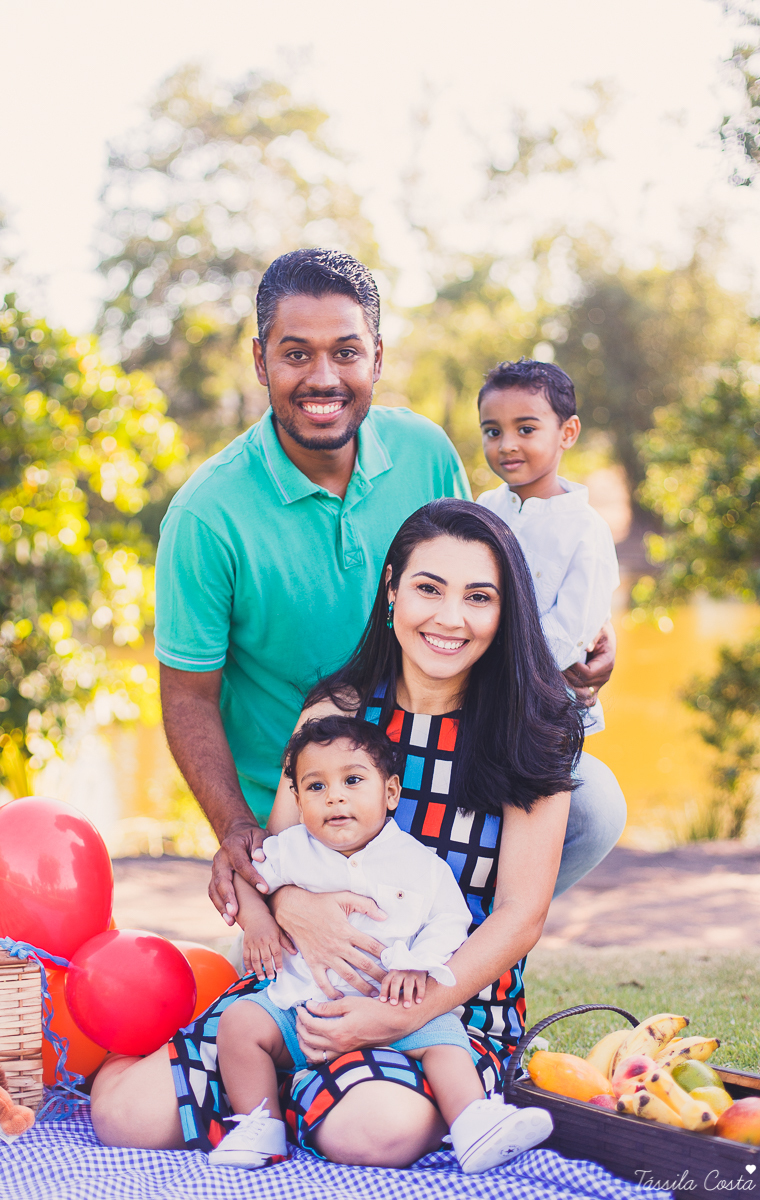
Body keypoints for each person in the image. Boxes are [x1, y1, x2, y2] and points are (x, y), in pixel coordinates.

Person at [90, 500, 615, 1168]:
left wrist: (404, 1013)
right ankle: (267, 1085)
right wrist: (292, 906)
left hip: (445, 998)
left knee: (381, 1132)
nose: (450, 618)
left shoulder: (533, 732)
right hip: (302, 983)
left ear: (504, 611)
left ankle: (316, 1097)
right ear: (392, 589)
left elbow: (520, 914)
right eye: (429, 588)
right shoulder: (336, 710)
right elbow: (275, 855)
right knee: (124, 1119)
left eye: (478, 597)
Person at [153, 248, 472, 924]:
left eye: (346, 353)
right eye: (297, 354)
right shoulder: (207, 514)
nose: (323, 378)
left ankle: (469, 930)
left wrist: (578, 645)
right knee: (290, 1013)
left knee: (590, 799)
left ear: (377, 358)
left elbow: (483, 603)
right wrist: (239, 831)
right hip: (302, 812)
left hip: (433, 772)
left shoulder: (427, 453)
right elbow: (187, 698)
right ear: (261, 359)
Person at [208, 714, 552, 1174]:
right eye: (315, 787)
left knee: (447, 1041)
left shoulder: (419, 864)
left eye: (352, 780)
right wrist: (256, 919)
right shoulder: (290, 850)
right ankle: (260, 1123)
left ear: (389, 792)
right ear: (297, 799)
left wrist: (419, 965)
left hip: (393, 1008)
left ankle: (473, 1123)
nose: (334, 796)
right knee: (240, 1024)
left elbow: (451, 920)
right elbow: (246, 877)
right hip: (302, 1014)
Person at [476, 358, 620, 734]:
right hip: (476, 702)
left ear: (567, 433)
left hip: (547, 716)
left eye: (526, 429)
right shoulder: (482, 509)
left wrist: (485, 658)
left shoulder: (587, 531)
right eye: (492, 432)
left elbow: (569, 636)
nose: (507, 445)